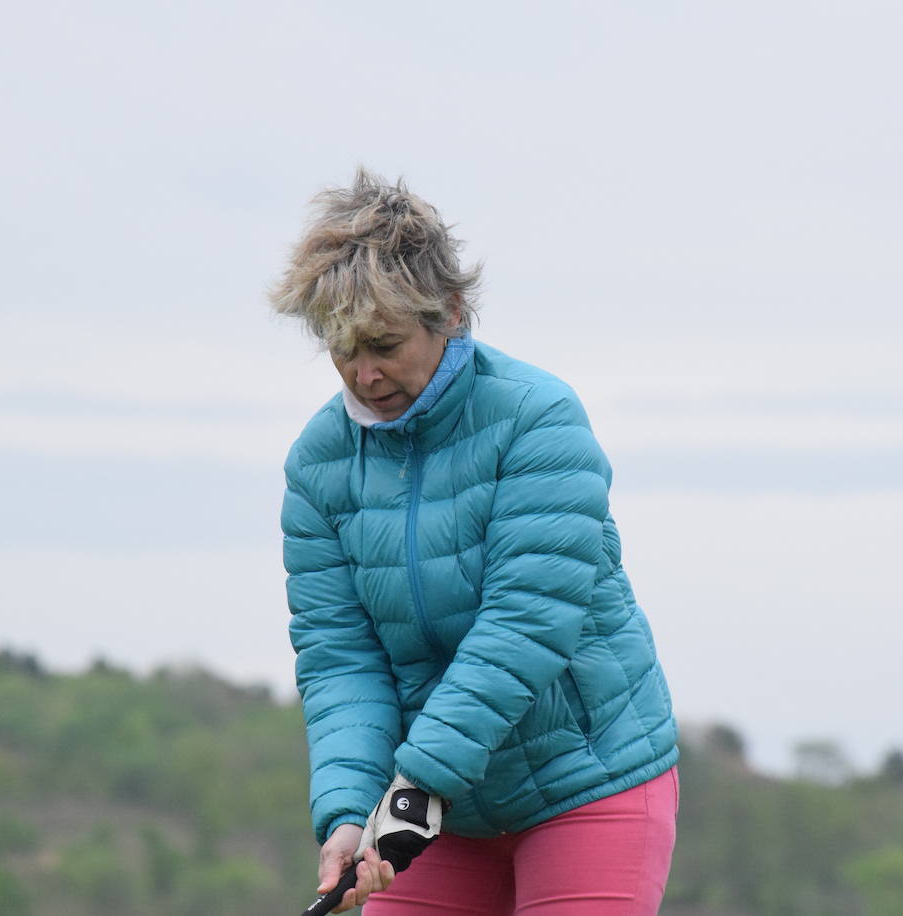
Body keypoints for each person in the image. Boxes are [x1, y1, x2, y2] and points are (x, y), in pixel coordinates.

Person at [272, 168, 679, 915]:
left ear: (450, 313)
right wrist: (344, 811)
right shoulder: (318, 465)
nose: (364, 373)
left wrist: (412, 793)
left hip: (585, 781)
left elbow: (525, 625)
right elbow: (340, 660)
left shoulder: (539, 420)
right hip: (432, 809)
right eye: (341, 349)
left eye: (384, 343)